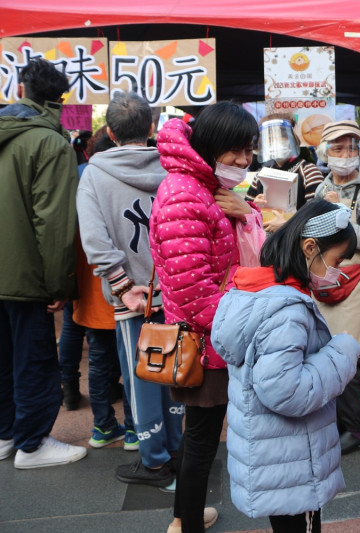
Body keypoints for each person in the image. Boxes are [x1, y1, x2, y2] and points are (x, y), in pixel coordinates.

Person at [211, 200, 360, 533]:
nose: (336, 272)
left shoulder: (256, 290)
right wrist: (343, 351)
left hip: (274, 457)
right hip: (294, 462)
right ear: (310, 248)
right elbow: (287, 391)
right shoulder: (287, 310)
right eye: (335, 261)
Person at [150, 101, 259, 533]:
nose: (243, 160)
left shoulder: (199, 186)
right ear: (211, 145)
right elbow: (194, 294)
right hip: (206, 340)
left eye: (249, 151)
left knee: (201, 438)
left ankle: (186, 516)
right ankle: (186, 523)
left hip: (214, 335)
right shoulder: (185, 195)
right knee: (200, 440)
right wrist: (245, 326)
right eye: (235, 150)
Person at [78, 92, 185, 487]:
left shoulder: (94, 173)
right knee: (175, 368)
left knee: (141, 377)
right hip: (173, 289)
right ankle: (176, 447)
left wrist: (122, 287)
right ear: (152, 127)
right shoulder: (173, 167)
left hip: (132, 297)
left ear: (109, 132)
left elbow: (95, 238)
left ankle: (155, 461)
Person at [0, 58, 87, 469]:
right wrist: (59, 287)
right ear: (61, 99)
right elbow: (53, 223)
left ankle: (5, 435)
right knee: (34, 358)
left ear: (21, 91)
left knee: (2, 358)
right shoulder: (50, 143)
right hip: (25, 275)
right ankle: (32, 444)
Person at [314, 119, 360, 454]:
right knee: (327, 353)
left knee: (353, 356)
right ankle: (337, 421)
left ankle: (356, 429)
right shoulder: (323, 185)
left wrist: (344, 220)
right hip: (327, 281)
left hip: (357, 282)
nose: (346, 154)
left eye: (351, 147)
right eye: (338, 147)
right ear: (324, 152)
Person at [68, 124, 138, 452]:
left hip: (93, 292)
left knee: (99, 362)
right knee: (131, 362)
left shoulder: (83, 182)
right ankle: (137, 427)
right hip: (124, 293)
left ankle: (102, 426)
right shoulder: (121, 184)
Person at [244, 116, 325, 232]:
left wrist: (288, 225)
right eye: (269, 139)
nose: (273, 142)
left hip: (296, 242)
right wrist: (254, 207)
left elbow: (318, 217)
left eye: (281, 136)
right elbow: (245, 214)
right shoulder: (261, 175)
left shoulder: (308, 171)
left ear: (292, 139)